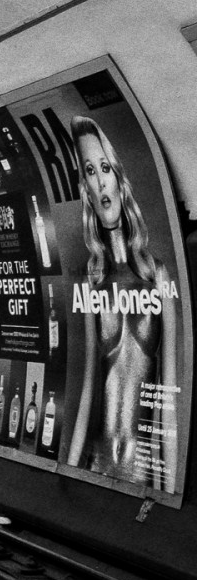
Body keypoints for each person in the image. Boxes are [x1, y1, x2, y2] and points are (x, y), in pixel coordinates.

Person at [65, 115, 178, 489]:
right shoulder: (92, 281)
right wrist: (67, 472)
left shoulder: (158, 276)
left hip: (144, 466)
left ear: (118, 177)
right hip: (96, 460)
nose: (100, 182)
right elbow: (87, 391)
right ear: (86, 188)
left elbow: (168, 398)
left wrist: (169, 486)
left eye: (105, 168)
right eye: (89, 172)